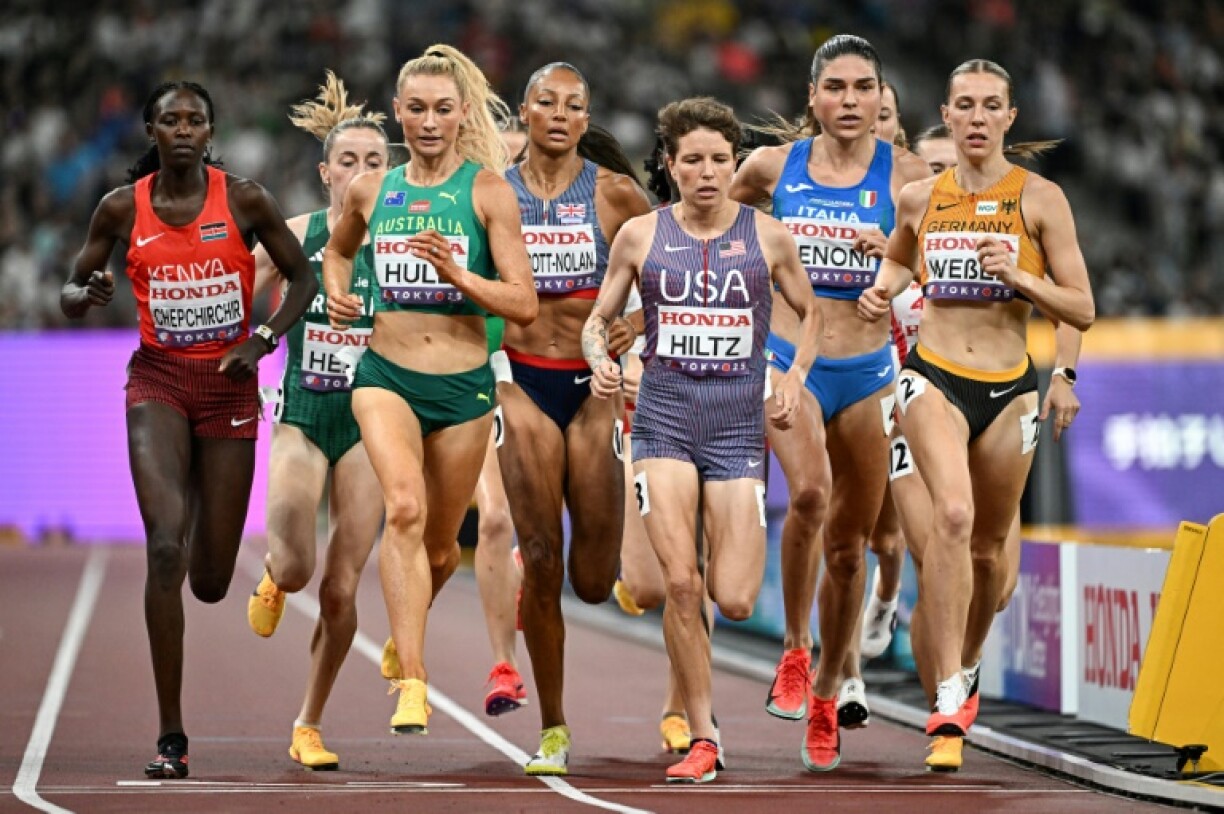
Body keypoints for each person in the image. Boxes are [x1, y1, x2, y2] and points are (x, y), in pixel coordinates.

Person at [60, 81, 317, 778]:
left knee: (207, 580)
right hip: (159, 384)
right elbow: (70, 288)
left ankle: (202, 495)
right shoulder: (120, 209)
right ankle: (171, 735)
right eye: (169, 119)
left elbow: (303, 279)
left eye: (194, 120)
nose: (181, 129)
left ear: (210, 132)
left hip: (228, 387)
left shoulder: (244, 199)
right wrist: (87, 292)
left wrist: (262, 341)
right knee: (165, 551)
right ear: (150, 130)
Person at [857, 58, 1094, 772]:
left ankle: (966, 663)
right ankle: (949, 688)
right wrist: (881, 289)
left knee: (991, 556)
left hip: (1011, 386)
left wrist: (1020, 279)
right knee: (951, 518)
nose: (979, 117)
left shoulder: (1042, 199)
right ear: (949, 114)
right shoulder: (919, 197)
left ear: (1010, 118)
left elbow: (1080, 305)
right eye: (966, 105)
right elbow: (899, 265)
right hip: (932, 377)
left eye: (993, 105)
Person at [584, 96, 820, 784]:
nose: (709, 172)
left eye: (721, 159)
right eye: (694, 160)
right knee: (680, 584)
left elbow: (813, 316)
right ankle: (704, 733)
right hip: (662, 417)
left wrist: (796, 375)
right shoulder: (640, 235)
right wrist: (601, 361)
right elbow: (600, 320)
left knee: (736, 596)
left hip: (738, 425)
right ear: (671, 165)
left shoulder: (769, 235)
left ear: (735, 163)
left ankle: (702, 699)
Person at [323, 44, 537, 741]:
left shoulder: (488, 191)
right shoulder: (372, 190)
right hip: (385, 377)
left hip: (464, 386)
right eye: (415, 108)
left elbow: (522, 302)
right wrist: (337, 296)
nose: (428, 120)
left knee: (442, 549)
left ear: (462, 114)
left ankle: (404, 631)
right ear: (397, 113)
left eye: (443, 109)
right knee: (405, 511)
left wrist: (457, 274)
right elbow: (338, 250)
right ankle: (412, 681)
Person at [730, 34, 930, 771]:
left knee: (850, 550)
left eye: (865, 88)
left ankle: (827, 691)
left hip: (871, 371)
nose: (852, 101)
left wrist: (897, 266)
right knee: (809, 494)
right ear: (812, 97)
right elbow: (702, 217)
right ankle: (794, 649)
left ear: (883, 98)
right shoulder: (770, 168)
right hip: (790, 362)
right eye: (837, 88)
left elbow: (941, 264)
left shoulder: (909, 177)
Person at [493, 62, 652, 775]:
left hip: (592, 387)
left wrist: (638, 322)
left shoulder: (615, 193)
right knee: (545, 558)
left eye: (574, 106)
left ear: (588, 120)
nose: (559, 114)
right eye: (546, 102)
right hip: (520, 382)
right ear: (523, 112)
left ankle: (559, 567)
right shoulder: (491, 191)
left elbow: (675, 264)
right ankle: (553, 729)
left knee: (592, 579)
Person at [242, 72, 389, 771]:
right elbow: (230, 301)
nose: (362, 173)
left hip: (371, 425)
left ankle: (308, 723)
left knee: (340, 586)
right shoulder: (296, 236)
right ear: (325, 171)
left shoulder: (407, 242)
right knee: (299, 568)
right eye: (349, 162)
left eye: (375, 162)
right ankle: (273, 575)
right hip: (303, 413)